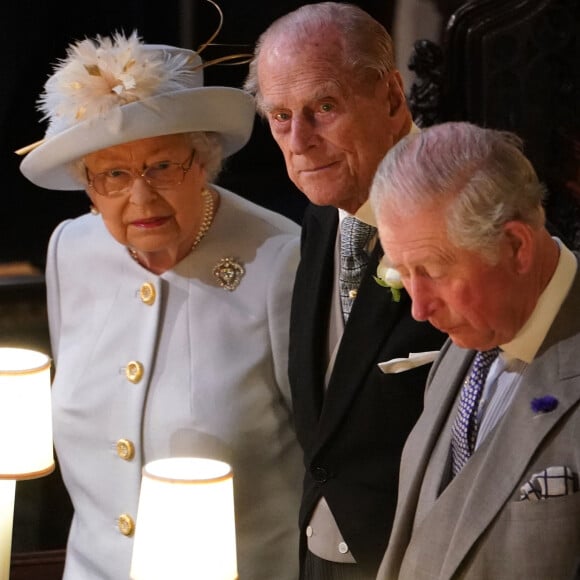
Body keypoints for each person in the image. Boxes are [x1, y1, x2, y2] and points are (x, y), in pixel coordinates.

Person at [18, 31, 303, 580]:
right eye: (115, 175)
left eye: (163, 166)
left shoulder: (282, 260)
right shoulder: (69, 252)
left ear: (204, 160)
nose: (141, 197)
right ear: (89, 186)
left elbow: (324, 462)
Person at [244, 3, 447, 578]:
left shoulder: (460, 213)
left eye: (324, 107)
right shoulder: (320, 215)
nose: (300, 141)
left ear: (390, 97)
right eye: (281, 116)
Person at [369, 121, 580, 579]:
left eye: (434, 270)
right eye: (403, 272)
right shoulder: (467, 340)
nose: (419, 309)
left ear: (515, 246)